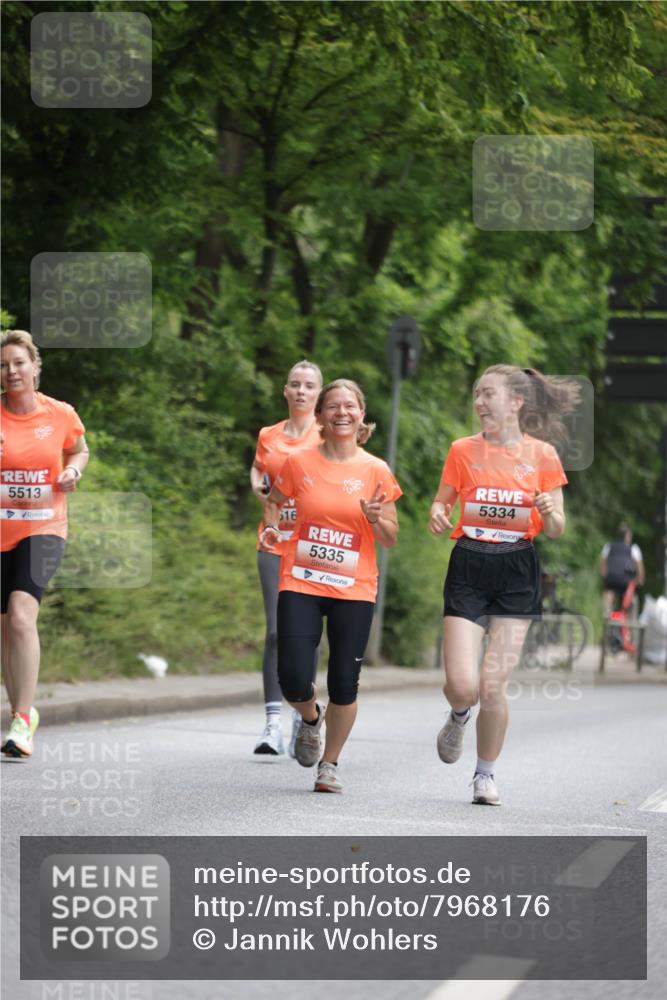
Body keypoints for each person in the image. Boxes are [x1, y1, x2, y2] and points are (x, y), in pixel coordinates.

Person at [429, 365, 579, 806]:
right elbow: (442, 500)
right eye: (476, 394)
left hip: (517, 568)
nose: (479, 402)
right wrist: (438, 512)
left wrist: (550, 510)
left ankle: (484, 775)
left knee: (493, 684)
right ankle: (458, 715)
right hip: (469, 564)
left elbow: (556, 528)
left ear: (515, 402)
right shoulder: (462, 450)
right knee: (462, 684)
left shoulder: (544, 456)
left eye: (487, 394)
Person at [259, 378, 401, 793]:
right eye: (333, 406)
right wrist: (272, 529)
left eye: (350, 406)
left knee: (344, 681)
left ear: (361, 415)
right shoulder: (299, 463)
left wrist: (377, 519)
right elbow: (273, 501)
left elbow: (391, 536)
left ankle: (330, 764)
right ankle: (308, 717)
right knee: (292, 676)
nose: (342, 412)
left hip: (354, 588)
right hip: (301, 579)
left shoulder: (376, 470)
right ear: (319, 416)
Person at [1, 329, 89, 757]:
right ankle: (23, 713)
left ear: (35, 367)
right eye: (3, 365)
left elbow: (79, 450)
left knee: (21, 615)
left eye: (19, 363)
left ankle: (21, 719)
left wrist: (73, 472)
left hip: (44, 527)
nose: (11, 371)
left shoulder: (60, 414)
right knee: (4, 627)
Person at [250, 360, 323, 756]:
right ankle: (272, 722)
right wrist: (259, 489)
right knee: (277, 630)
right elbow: (259, 470)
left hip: (312, 546)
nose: (300, 391)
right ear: (285, 390)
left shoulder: (326, 436)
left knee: (306, 634)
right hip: (274, 540)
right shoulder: (269, 435)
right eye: (294, 384)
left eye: (308, 386)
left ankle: (302, 716)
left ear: (317, 394)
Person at [600, 524, 645, 613]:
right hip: (626, 580)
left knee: (609, 591)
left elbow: (603, 564)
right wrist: (639, 579)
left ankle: (607, 612)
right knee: (631, 596)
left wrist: (604, 576)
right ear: (627, 536)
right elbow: (639, 566)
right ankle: (627, 615)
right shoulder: (633, 548)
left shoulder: (609, 546)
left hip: (611, 578)